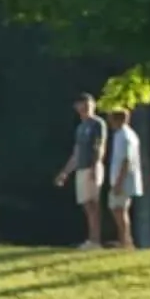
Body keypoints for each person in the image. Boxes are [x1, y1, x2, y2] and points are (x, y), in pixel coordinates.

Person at [52, 93, 106, 249]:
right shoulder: (80, 127)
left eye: (88, 103)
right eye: (82, 103)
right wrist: (65, 172)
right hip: (81, 168)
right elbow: (76, 153)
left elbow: (99, 146)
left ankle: (95, 240)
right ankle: (91, 239)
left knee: (93, 204)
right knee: (86, 204)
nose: (85, 106)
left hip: (92, 166)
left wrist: (96, 165)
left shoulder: (97, 123)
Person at [101, 106, 142, 251]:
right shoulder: (123, 134)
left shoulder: (124, 136)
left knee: (119, 209)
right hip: (120, 178)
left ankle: (126, 241)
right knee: (118, 209)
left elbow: (126, 160)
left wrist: (119, 182)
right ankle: (125, 239)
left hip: (123, 179)